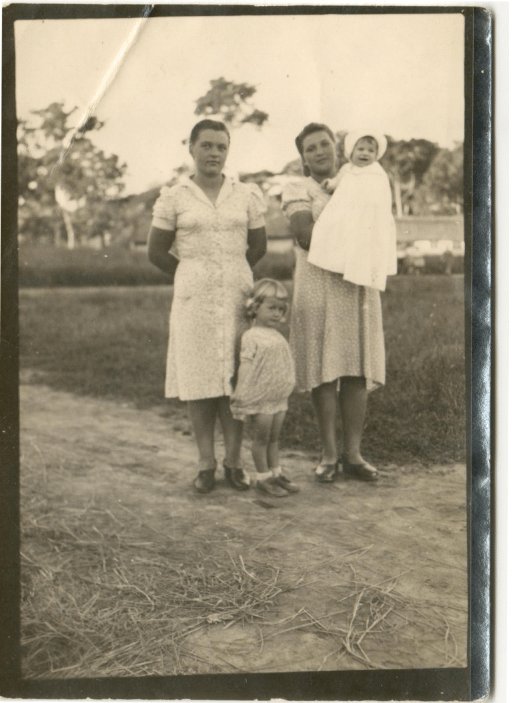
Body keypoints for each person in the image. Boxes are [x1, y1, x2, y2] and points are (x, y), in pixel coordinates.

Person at [147, 119, 267, 494]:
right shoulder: (175, 196)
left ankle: (234, 462)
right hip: (193, 299)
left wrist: (233, 272)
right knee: (199, 382)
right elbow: (156, 251)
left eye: (221, 146)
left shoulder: (245, 194)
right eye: (207, 146)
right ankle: (205, 463)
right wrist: (190, 272)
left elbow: (258, 247)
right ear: (192, 148)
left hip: (236, 297)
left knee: (235, 379)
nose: (214, 153)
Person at [281, 123, 388, 484]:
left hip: (356, 282)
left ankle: (354, 454)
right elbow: (306, 235)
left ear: (337, 148)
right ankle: (328, 454)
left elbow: (380, 223)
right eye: (311, 149)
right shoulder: (297, 188)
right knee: (323, 374)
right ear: (303, 158)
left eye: (325, 144)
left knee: (356, 370)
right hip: (317, 285)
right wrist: (355, 223)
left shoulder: (361, 178)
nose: (320, 152)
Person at [230, 279, 298, 497]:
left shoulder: (277, 335)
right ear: (255, 307)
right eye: (271, 308)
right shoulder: (251, 336)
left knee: (274, 439)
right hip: (261, 397)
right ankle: (263, 478)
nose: (277, 314)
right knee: (262, 439)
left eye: (281, 309)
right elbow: (246, 364)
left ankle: (276, 473)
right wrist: (240, 390)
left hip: (278, 396)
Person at [308, 130, 397, 292]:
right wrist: (330, 184)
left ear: (377, 155)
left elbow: (382, 195)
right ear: (352, 152)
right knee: (338, 237)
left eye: (371, 151)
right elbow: (337, 181)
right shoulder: (347, 168)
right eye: (361, 149)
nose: (365, 154)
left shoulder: (377, 171)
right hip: (346, 212)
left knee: (364, 244)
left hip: (368, 215)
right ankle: (338, 262)